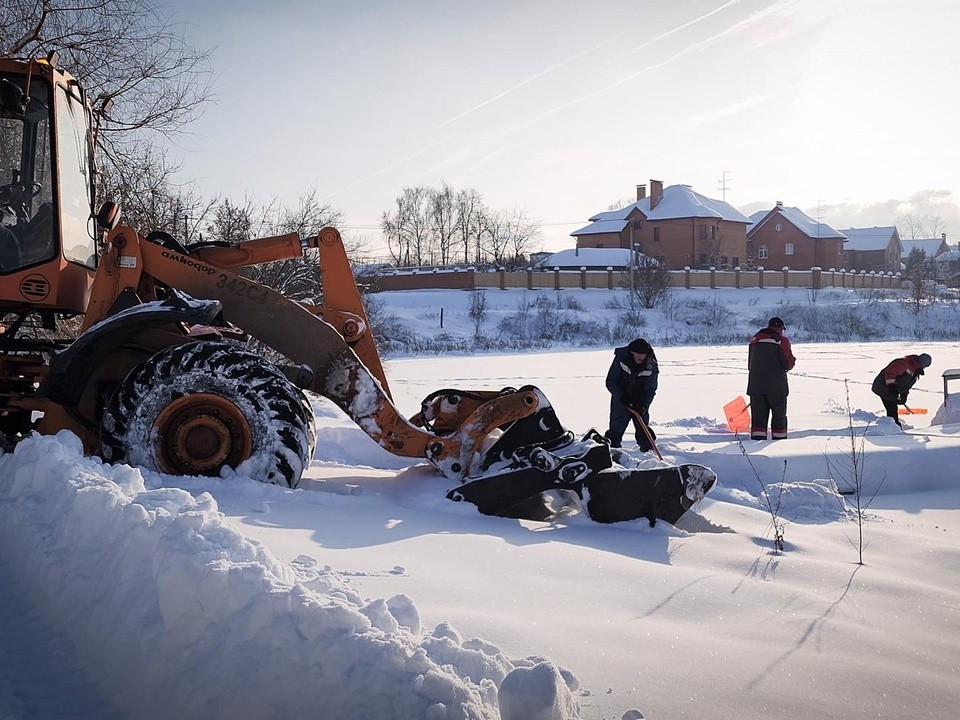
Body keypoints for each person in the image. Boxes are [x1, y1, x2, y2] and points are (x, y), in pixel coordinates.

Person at [604, 337, 658, 451]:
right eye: (638, 354)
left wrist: (644, 404)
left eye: (644, 354)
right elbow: (611, 381)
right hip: (621, 402)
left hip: (639, 403)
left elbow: (650, 389)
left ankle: (649, 454)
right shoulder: (621, 359)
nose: (641, 357)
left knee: (644, 432)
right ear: (632, 352)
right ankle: (612, 453)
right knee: (615, 432)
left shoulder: (651, 365)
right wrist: (622, 397)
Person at [747, 316, 796, 440]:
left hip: (755, 386)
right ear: (779, 328)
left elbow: (750, 364)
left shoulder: (754, 340)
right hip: (776, 387)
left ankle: (753, 446)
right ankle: (779, 446)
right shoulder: (781, 341)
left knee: (758, 421)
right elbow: (788, 364)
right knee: (779, 419)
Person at [871, 353, 932, 426]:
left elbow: (905, 384)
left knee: (892, 407)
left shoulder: (915, 370)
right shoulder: (904, 363)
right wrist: (891, 386)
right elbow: (890, 372)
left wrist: (904, 395)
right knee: (892, 408)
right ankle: (893, 427)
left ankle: (893, 426)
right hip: (883, 386)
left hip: (891, 389)